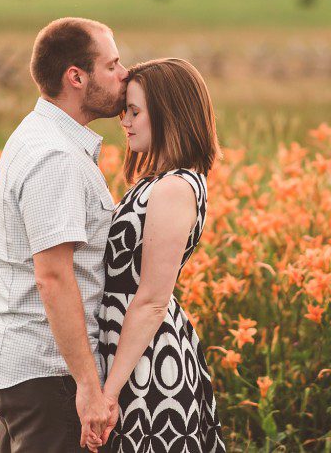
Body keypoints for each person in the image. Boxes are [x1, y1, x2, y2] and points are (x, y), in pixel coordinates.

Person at [0, 17, 125, 451]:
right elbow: (53, 276)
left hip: (33, 364)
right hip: (47, 370)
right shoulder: (55, 158)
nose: (124, 74)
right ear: (76, 76)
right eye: (112, 65)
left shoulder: (46, 137)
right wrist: (89, 386)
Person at [95, 57, 226, 452]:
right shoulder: (160, 181)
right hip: (131, 351)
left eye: (135, 112)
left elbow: (152, 300)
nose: (125, 122)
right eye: (125, 112)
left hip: (148, 364)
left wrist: (108, 394)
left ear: (169, 114)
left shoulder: (175, 188)